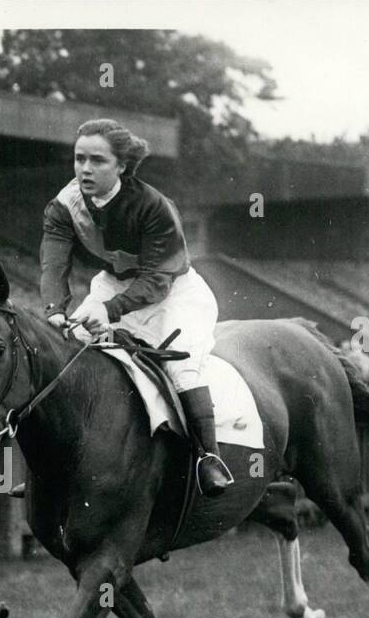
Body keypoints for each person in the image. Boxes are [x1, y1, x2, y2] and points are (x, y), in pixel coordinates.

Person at [39, 118, 231, 495]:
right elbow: (53, 263)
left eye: (97, 161)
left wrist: (110, 311)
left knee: (181, 368)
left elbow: (157, 280)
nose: (85, 169)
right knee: (65, 353)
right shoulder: (63, 207)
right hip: (112, 286)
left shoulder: (154, 207)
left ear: (122, 166)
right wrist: (55, 309)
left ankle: (208, 457)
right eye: (79, 159)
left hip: (174, 293)